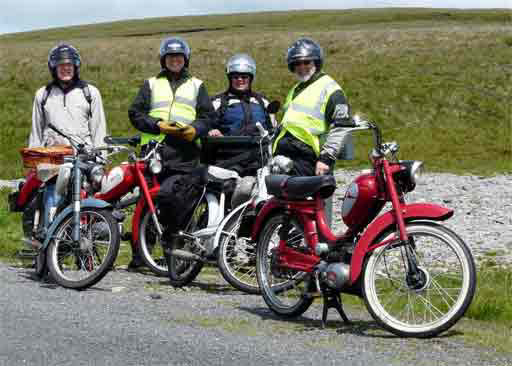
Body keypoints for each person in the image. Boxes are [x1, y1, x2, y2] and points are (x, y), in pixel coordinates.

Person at [128, 36, 215, 270]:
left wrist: (195, 130)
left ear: (185, 59)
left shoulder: (197, 85)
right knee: (144, 205)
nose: (174, 61)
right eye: (170, 57)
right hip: (154, 151)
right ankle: (139, 257)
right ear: (163, 60)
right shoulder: (151, 84)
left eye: (178, 57)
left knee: (174, 198)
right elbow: (135, 113)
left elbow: (208, 117)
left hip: (184, 153)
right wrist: (156, 125)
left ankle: (173, 251)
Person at [28, 43, 107, 234]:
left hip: (84, 158)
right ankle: (46, 242)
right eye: (61, 65)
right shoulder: (43, 95)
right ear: (53, 68)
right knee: (52, 200)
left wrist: (102, 160)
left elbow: (99, 128)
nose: (66, 69)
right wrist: (33, 164)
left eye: (70, 65)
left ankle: (86, 241)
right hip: (54, 161)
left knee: (88, 203)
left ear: (76, 67)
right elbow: (36, 131)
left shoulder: (90, 93)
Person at [273, 37, 354, 177]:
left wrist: (326, 159)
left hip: (308, 157)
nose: (302, 67)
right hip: (285, 153)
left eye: (306, 62)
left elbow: (342, 126)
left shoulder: (331, 89)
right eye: (297, 63)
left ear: (316, 62)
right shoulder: (296, 89)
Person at [208, 53, 276, 176]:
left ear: (250, 78)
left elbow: (272, 131)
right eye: (235, 76)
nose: (240, 80)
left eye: (244, 76)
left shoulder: (262, 102)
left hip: (260, 160)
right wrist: (211, 130)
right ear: (230, 78)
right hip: (229, 160)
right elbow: (205, 125)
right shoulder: (218, 102)